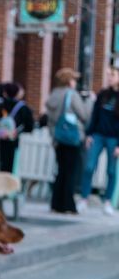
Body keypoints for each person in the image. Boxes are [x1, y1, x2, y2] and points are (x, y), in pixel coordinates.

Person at [46, 67, 89, 214]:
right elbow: (83, 115)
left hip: (58, 138)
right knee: (71, 172)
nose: (75, 82)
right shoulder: (72, 95)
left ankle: (56, 203)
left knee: (61, 171)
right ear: (69, 81)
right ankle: (68, 205)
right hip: (72, 138)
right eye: (74, 79)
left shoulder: (53, 95)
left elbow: (50, 121)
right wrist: (90, 102)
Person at [81, 64, 119, 215]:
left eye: (113, 75)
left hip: (114, 139)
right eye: (109, 75)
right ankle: (84, 198)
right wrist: (89, 134)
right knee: (89, 166)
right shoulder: (103, 95)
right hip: (98, 135)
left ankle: (108, 202)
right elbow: (94, 116)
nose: (110, 78)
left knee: (111, 171)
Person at [0, 82, 35, 174]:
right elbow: (30, 127)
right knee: (9, 167)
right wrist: (17, 132)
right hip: (12, 142)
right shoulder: (24, 108)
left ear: (5, 92)